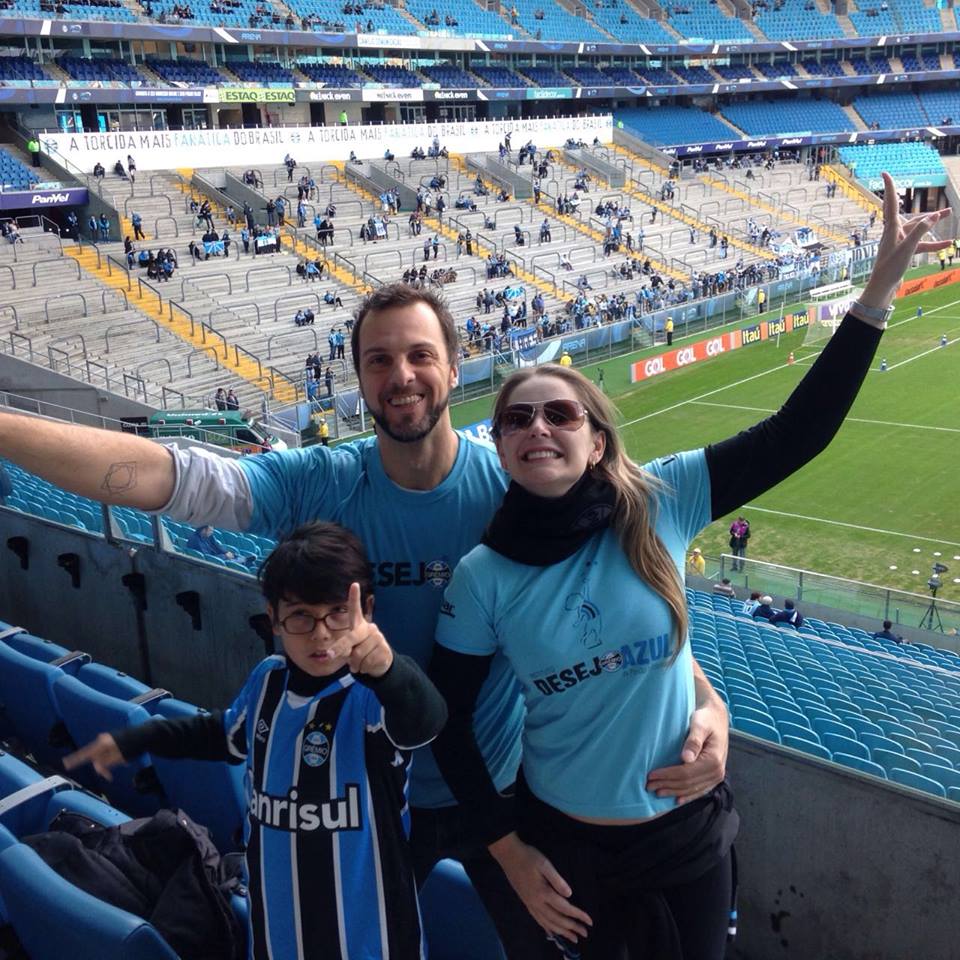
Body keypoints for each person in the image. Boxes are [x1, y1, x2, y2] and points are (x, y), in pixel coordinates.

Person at [0, 282, 731, 959]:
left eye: (420, 355)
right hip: (371, 799)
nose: (401, 375)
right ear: (358, 378)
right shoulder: (318, 481)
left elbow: (617, 597)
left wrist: (705, 696)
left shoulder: (514, 484)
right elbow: (170, 477)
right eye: (379, 359)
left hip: (501, 794)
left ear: (453, 367)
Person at [423, 171, 949, 957]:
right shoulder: (482, 576)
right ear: (497, 446)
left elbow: (797, 432)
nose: (540, 427)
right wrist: (507, 852)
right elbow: (450, 725)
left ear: (596, 440)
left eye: (561, 413)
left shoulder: (663, 499)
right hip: (562, 853)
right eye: (517, 418)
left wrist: (876, 293)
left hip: (688, 844)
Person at [64, 522, 447, 960]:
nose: (321, 633)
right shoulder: (268, 681)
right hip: (277, 934)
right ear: (274, 619)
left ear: (367, 610)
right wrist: (137, 739)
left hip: (370, 942)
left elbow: (426, 719)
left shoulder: (372, 697)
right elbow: (222, 734)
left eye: (338, 611)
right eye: (301, 614)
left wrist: (389, 668)